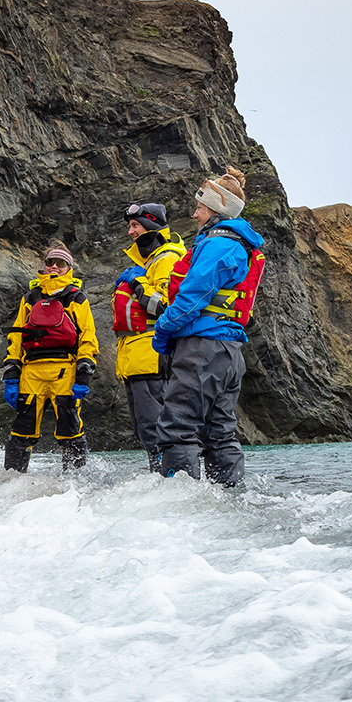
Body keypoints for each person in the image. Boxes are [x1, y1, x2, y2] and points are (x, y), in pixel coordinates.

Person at [151, 167, 266, 487]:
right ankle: (227, 505)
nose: (195, 213)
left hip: (202, 347)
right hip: (228, 352)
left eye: (200, 207)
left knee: (178, 429)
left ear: (217, 208)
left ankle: (180, 510)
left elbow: (190, 299)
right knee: (219, 434)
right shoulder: (239, 244)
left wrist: (161, 333)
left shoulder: (219, 245)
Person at [2, 240, 98, 472]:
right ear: (44, 265)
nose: (55, 267)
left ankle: (77, 484)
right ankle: (11, 483)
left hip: (64, 371)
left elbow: (87, 337)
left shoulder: (76, 298)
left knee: (70, 430)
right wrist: (11, 375)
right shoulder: (30, 297)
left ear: (69, 267)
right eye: (50, 262)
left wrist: (83, 374)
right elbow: (16, 338)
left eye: (61, 263)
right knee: (21, 431)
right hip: (31, 373)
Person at [112, 203, 186, 472]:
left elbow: (167, 306)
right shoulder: (148, 261)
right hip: (137, 357)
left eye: (136, 225)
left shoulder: (165, 259)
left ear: (151, 225)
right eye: (130, 226)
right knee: (146, 427)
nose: (131, 232)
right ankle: (160, 478)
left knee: (155, 426)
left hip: (151, 356)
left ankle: (169, 478)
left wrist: (136, 283)